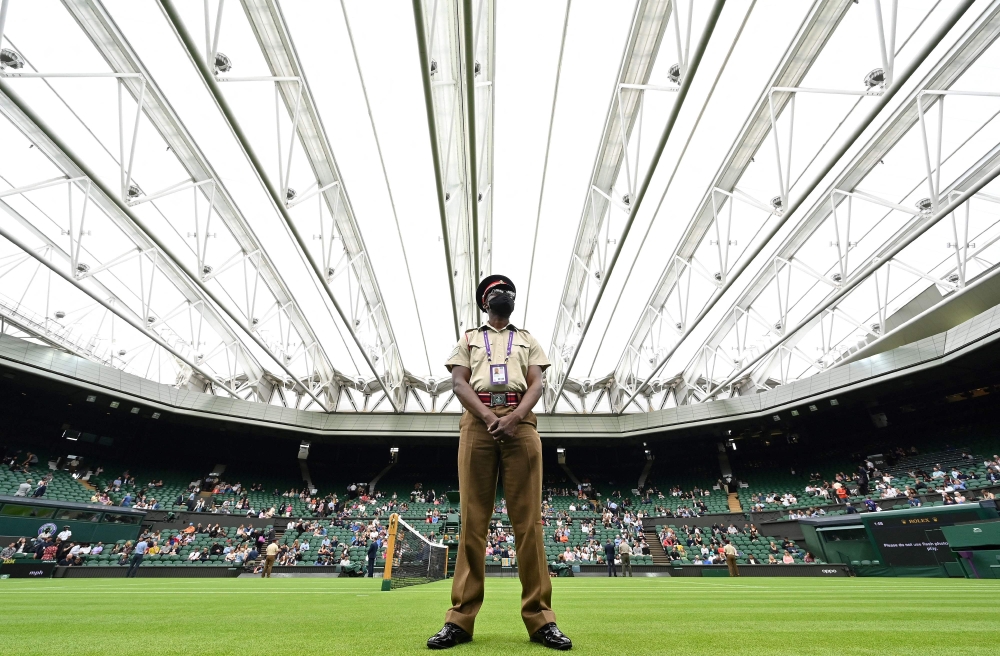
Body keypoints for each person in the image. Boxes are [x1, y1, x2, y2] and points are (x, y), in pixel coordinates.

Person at [428, 275, 570, 651]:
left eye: (507, 290)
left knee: (529, 524)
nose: (502, 294)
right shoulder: (469, 338)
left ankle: (542, 621)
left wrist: (514, 417)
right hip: (478, 424)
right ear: (484, 302)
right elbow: (459, 384)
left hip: (520, 425)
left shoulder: (528, 338)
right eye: (494, 291)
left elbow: (537, 383)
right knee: (473, 522)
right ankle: (459, 621)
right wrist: (491, 419)